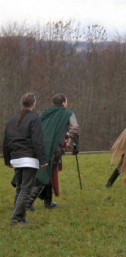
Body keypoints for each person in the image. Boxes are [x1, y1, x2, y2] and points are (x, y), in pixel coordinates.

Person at [27, 93, 80, 210]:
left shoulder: (45, 112)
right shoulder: (69, 113)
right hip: (52, 148)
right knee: (46, 173)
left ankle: (48, 202)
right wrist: (73, 144)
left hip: (37, 145)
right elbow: (75, 129)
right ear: (63, 103)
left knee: (48, 173)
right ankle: (28, 202)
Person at [3, 93, 47, 226]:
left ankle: (22, 218)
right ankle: (15, 218)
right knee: (25, 189)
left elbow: (6, 141)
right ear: (33, 103)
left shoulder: (12, 119)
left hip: (16, 158)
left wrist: (7, 160)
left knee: (20, 188)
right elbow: (37, 141)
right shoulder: (34, 118)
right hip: (28, 159)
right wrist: (43, 159)